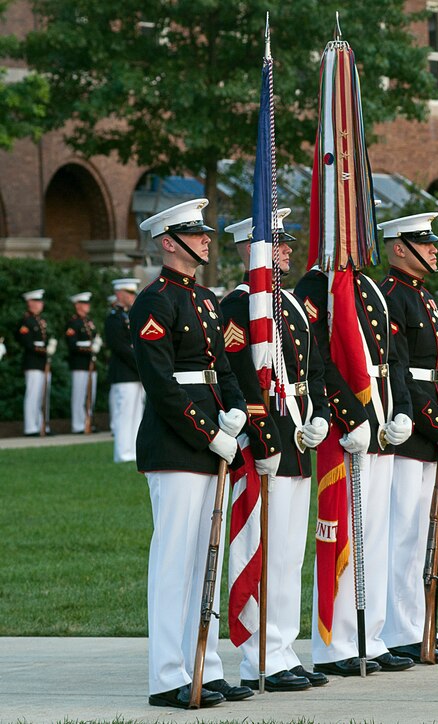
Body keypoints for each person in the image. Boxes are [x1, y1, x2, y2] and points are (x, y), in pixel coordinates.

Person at [130, 198, 252, 709]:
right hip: (176, 443)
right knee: (176, 561)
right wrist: (208, 432)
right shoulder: (153, 302)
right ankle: (167, 675)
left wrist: (238, 411)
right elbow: (160, 385)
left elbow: (221, 366)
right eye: (194, 233)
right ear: (167, 242)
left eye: (204, 232)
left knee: (208, 557)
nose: (206, 239)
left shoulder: (205, 300)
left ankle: (204, 665)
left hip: (210, 441)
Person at [221, 210, 336, 692]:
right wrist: (264, 436)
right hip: (263, 443)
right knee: (262, 550)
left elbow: (315, 367)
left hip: (297, 436)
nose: (288, 249)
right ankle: (260, 657)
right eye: (278, 243)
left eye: (287, 242)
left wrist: (320, 417)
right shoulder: (238, 304)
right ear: (254, 250)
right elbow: (242, 374)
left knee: (289, 554)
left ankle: (283, 649)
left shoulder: (288, 303)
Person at [294, 231, 416, 678]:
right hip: (348, 432)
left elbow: (389, 360)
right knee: (347, 531)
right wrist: (351, 416)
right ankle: (335, 643)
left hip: (379, 426)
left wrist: (399, 409)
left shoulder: (367, 287)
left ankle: (370, 633)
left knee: (375, 534)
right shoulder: (318, 284)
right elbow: (321, 359)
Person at [378, 211, 438, 664]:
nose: (434, 249)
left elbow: (437, 361)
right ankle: (399, 629)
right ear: (399, 248)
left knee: (421, 535)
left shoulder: (424, 297)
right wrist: (434, 419)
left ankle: (421, 625)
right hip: (410, 428)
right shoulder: (392, 296)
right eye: (424, 243)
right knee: (404, 534)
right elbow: (397, 367)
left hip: (430, 423)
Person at [104, 278, 145, 462]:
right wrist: (140, 361)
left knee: (136, 413)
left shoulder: (129, 316)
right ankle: (122, 453)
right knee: (124, 414)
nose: (131, 297)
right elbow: (120, 347)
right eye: (128, 293)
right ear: (119, 294)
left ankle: (133, 450)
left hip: (134, 373)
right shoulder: (114, 318)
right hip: (124, 373)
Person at [17, 288, 54, 436]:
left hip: (43, 362)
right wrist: (44, 349)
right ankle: (31, 427)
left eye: (40, 301)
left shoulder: (41, 321)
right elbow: (26, 342)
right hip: (33, 362)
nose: (40, 304)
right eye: (36, 301)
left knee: (43, 395)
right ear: (29, 303)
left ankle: (42, 425)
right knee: (33, 395)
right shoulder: (26, 321)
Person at [66, 291, 101, 434]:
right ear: (77, 305)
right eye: (84, 303)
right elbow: (72, 344)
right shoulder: (73, 323)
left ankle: (88, 422)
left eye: (88, 303)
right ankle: (78, 424)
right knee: (79, 395)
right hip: (79, 364)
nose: (87, 306)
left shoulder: (89, 322)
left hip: (90, 365)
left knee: (90, 395)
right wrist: (89, 347)